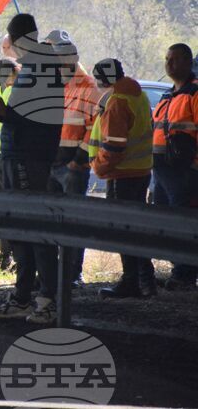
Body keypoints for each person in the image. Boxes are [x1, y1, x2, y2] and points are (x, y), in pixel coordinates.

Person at [0, 14, 72, 324]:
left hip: (28, 157)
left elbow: (37, 116)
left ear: (16, 36)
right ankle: (24, 296)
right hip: (18, 154)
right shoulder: (38, 65)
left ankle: (45, 298)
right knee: (21, 228)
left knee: (34, 229)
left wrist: (2, 111)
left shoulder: (40, 66)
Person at [90, 58, 155, 299]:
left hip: (122, 173)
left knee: (124, 229)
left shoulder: (117, 102)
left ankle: (132, 282)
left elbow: (114, 147)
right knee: (136, 227)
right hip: (141, 171)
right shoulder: (138, 95)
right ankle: (145, 280)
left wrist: (99, 167)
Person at [43, 30, 100, 284]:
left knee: (74, 221)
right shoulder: (58, 85)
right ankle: (55, 273)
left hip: (73, 167)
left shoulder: (89, 87)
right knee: (51, 221)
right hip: (53, 164)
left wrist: (79, 158)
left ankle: (73, 273)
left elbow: (94, 128)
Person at [151, 43, 198, 291]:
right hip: (161, 171)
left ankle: (185, 273)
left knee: (183, 223)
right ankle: (177, 268)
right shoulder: (168, 96)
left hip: (184, 172)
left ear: (188, 63)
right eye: (167, 58)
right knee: (165, 222)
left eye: (175, 59)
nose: (169, 64)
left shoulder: (194, 93)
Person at [0, 56, 19, 272]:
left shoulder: (13, 91)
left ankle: (10, 254)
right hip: (3, 153)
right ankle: (8, 254)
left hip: (9, 156)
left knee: (7, 207)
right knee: (5, 207)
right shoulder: (5, 89)